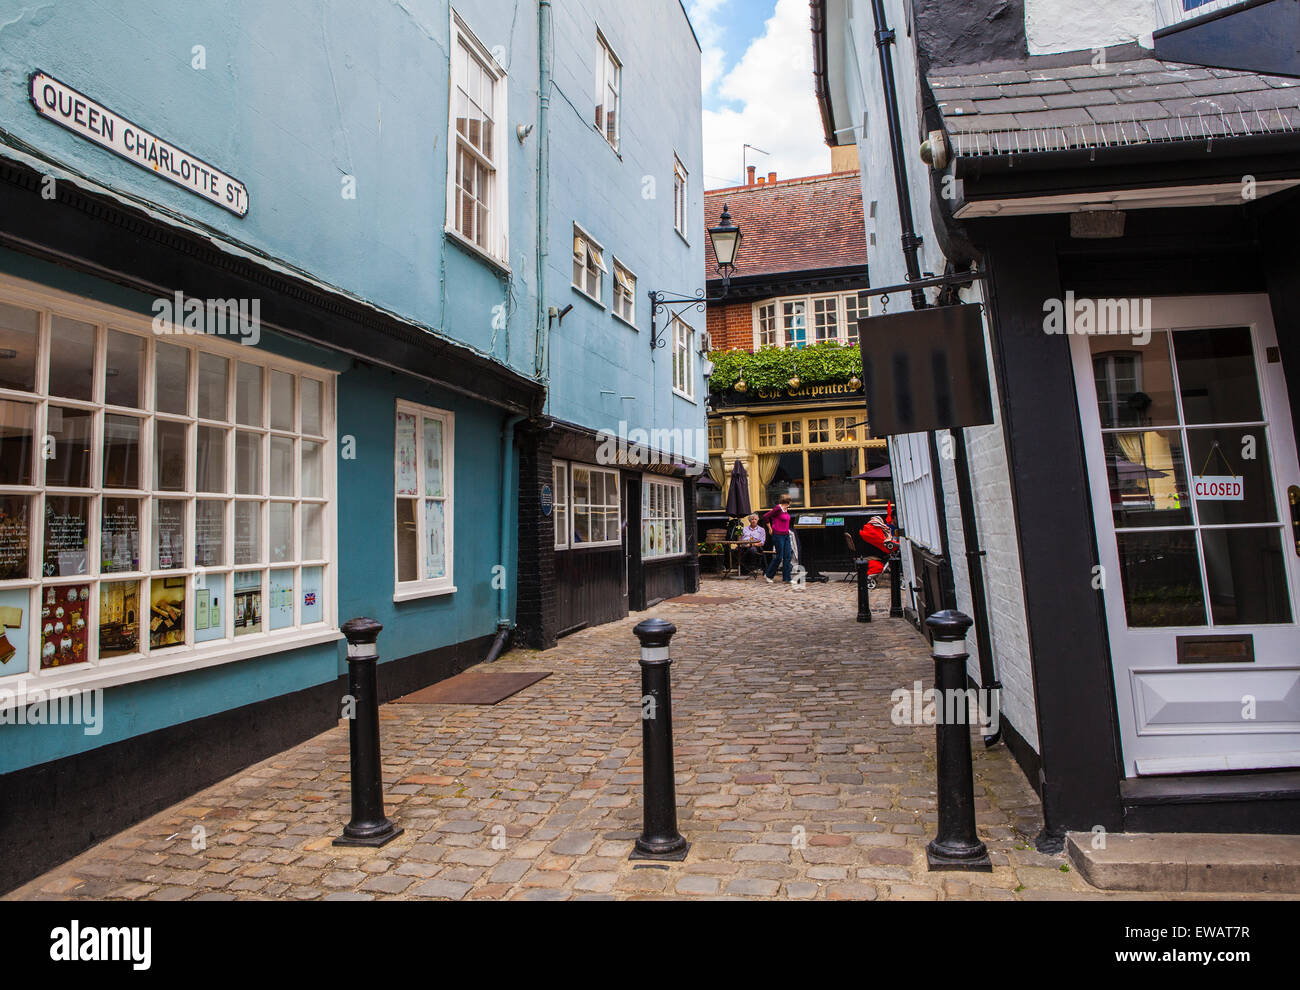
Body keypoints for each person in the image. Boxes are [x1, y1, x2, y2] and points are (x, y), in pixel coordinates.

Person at [762, 495, 794, 584]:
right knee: (779, 557)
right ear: (787, 502)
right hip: (778, 535)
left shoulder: (786, 509)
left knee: (787, 556)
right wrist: (770, 528)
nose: (790, 504)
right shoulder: (777, 508)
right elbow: (765, 516)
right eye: (790, 502)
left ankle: (787, 578)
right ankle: (768, 575)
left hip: (786, 535)